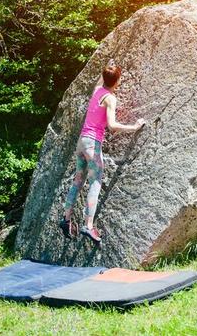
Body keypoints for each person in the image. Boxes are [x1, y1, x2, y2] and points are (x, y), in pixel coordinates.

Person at [60, 59, 146, 244]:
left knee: (77, 181)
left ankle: (66, 220)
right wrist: (135, 127)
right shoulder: (109, 98)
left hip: (81, 142)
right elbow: (112, 125)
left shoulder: (97, 90)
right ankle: (88, 226)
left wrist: (109, 66)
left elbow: (103, 79)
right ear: (118, 81)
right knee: (95, 182)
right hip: (93, 144)